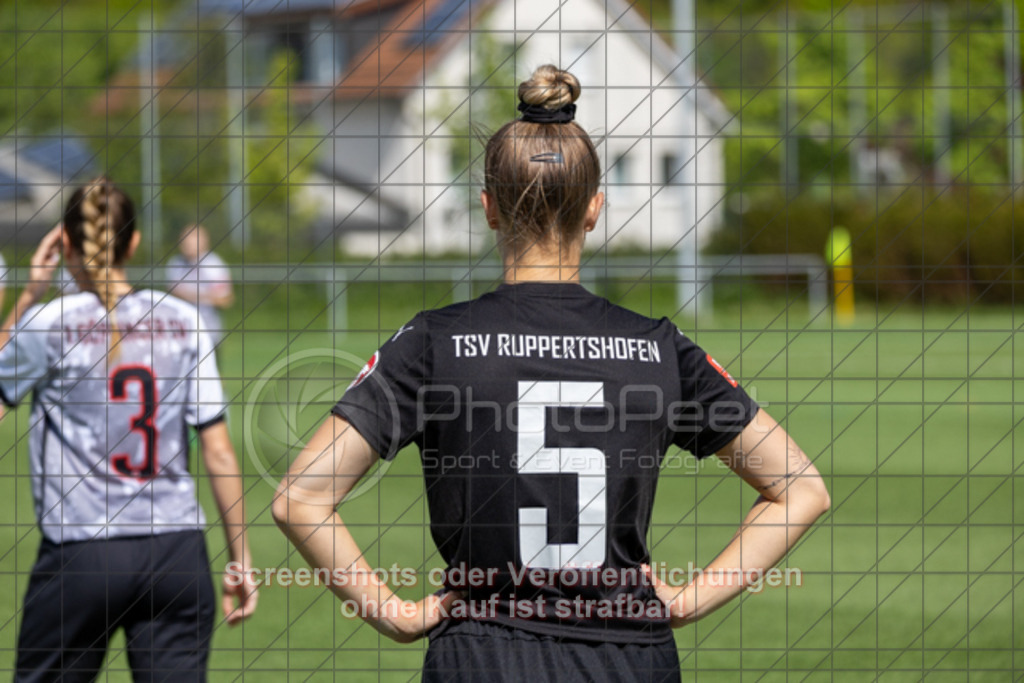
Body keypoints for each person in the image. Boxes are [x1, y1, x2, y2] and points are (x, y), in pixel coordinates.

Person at [272, 66, 830, 682]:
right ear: (594, 209)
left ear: (488, 208)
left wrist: (392, 613)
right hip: (628, 659)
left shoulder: (434, 343)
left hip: (483, 657)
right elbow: (801, 488)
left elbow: (301, 498)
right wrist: (692, 598)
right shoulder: (660, 349)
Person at [0, 178, 258, 681]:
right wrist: (240, 558)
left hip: (83, 551)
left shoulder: (47, 323)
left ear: (66, 245)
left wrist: (29, 294)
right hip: (177, 552)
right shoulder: (185, 321)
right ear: (134, 243)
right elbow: (219, 452)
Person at [166, 223, 234, 344]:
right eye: (184, 239)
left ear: (203, 241)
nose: (186, 244)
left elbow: (225, 300)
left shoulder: (214, 265)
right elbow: (172, 294)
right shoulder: (175, 263)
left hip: (208, 333)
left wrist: (191, 295)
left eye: (191, 239)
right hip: (180, 333)